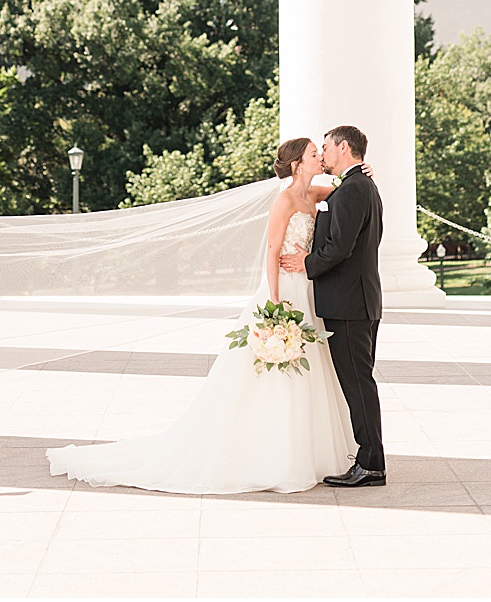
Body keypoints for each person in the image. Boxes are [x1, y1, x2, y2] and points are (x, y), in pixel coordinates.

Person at [46, 137, 358, 494]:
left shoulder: (313, 194)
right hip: (284, 293)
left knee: (309, 371)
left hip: (307, 292)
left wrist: (356, 175)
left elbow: (337, 188)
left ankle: (308, 453)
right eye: (314, 154)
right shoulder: (285, 200)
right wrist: (275, 304)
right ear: (298, 164)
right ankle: (272, 456)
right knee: (273, 376)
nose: (320, 157)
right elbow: (272, 251)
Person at [280, 123, 386, 488]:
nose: (322, 153)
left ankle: (371, 463)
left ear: (343, 148)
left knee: (358, 384)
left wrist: (306, 263)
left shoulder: (355, 189)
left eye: (325, 147)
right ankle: (369, 458)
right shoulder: (357, 185)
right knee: (358, 383)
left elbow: (340, 247)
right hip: (356, 300)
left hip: (350, 304)